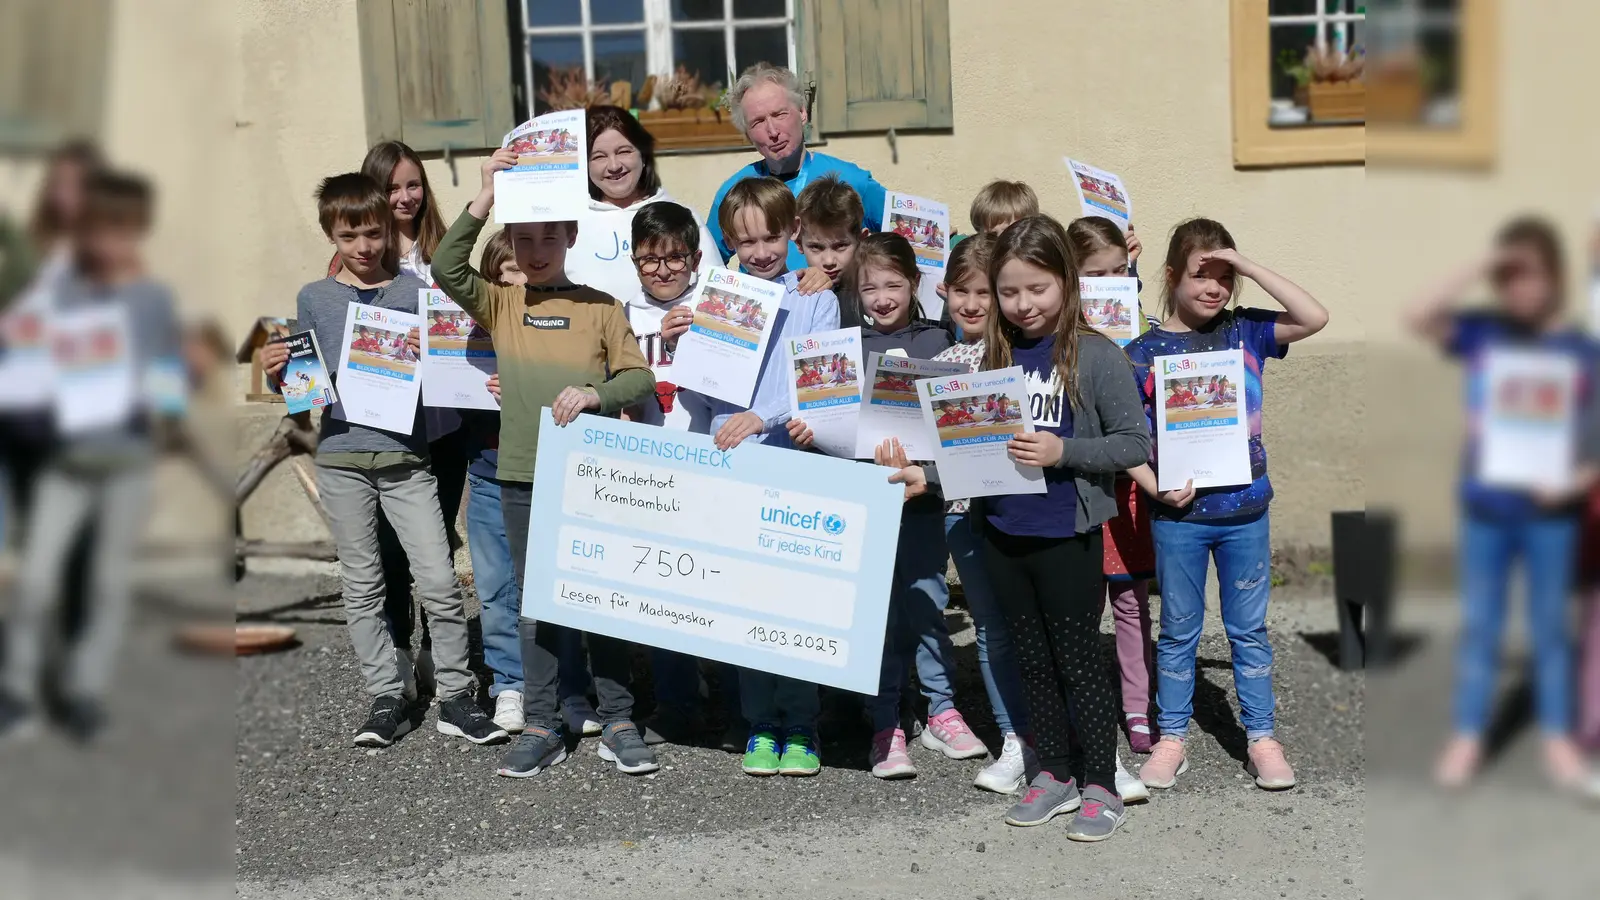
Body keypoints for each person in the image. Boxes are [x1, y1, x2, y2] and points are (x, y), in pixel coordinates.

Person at [893, 215, 1150, 840]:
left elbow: (1133, 442)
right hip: (1000, 532)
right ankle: (1055, 774)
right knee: (1030, 662)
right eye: (1009, 291)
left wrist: (1064, 453)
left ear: (1065, 279)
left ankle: (1100, 783)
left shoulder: (1095, 354)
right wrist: (929, 477)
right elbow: (968, 448)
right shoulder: (990, 356)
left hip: (1066, 534)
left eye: (1036, 288)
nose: (1022, 304)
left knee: (1078, 663)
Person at [260, 173, 504, 748]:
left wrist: (435, 359)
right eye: (349, 237)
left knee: (441, 582)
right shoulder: (313, 298)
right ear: (332, 236)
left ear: (390, 230)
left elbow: (449, 372)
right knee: (362, 586)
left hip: (407, 459)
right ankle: (386, 695)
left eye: (373, 233)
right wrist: (281, 374)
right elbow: (306, 391)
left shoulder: (418, 295)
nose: (364, 248)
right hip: (341, 459)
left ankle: (456, 696)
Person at [436, 148, 659, 779]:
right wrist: (484, 192)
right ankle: (541, 723)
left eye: (547, 237)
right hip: (521, 478)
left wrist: (596, 394)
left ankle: (618, 720)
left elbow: (639, 378)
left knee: (601, 598)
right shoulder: (503, 305)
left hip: (593, 476)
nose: (535, 251)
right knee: (538, 604)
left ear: (571, 236)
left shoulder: (600, 305)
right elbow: (446, 265)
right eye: (523, 238)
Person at [1127, 218, 1329, 793]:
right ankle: (1171, 738)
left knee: (1248, 630)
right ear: (1171, 276)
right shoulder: (1141, 353)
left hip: (1246, 514)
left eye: (1224, 277)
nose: (1214, 287)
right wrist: (1153, 486)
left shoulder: (1248, 333)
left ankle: (1262, 737)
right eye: (1201, 274)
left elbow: (1314, 317)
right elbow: (1127, 441)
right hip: (1180, 518)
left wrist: (1246, 265)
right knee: (1178, 632)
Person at [1405, 217, 1598, 790]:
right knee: (1482, 627)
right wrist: (1484, 264)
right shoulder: (1483, 333)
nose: (1520, 289)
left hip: (1551, 516)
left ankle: (1559, 739)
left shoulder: (1579, 349)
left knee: (1549, 631)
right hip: (1487, 509)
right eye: (1508, 278)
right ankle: (1469, 734)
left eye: (1530, 276)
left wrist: (1573, 483)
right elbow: (1419, 315)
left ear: (1555, 280)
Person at [662, 176, 839, 777]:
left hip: (791, 463)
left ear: (793, 232)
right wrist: (676, 343)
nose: (761, 251)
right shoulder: (715, 295)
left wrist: (764, 416)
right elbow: (698, 393)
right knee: (744, 605)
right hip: (732, 465)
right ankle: (759, 721)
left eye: (771, 237)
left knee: (791, 603)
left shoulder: (815, 296)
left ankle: (802, 722)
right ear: (729, 243)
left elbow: (819, 385)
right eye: (745, 241)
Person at [790, 233, 984, 780]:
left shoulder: (941, 342)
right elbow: (826, 419)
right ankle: (886, 723)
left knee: (926, 604)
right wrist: (813, 431)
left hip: (924, 503)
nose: (880, 297)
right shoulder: (842, 345)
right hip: (864, 502)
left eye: (893, 285)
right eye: (868, 286)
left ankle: (942, 709)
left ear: (915, 285)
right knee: (873, 615)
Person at [0, 171, 178, 742]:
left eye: (123, 231)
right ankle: (19, 693)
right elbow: (25, 363)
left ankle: (83, 693)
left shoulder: (153, 299)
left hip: (126, 464)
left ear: (139, 233)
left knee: (105, 586)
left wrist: (168, 407)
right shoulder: (57, 294)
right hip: (65, 461)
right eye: (101, 230)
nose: (111, 243)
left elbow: (166, 373)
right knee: (37, 579)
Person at [325, 141, 467, 703]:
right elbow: (328, 350)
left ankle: (440, 652)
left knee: (436, 543)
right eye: (392, 188)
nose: (405, 197)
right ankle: (398, 651)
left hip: (445, 413)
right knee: (385, 550)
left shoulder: (443, 247)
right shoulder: (350, 262)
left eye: (414, 184)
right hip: (381, 425)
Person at [615, 199, 746, 748]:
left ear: (696, 258)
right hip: (652, 471)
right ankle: (677, 706)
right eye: (650, 260)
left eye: (674, 258)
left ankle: (742, 708)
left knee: (726, 589)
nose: (663, 270)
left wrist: (691, 342)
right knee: (662, 592)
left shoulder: (721, 304)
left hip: (713, 463)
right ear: (634, 261)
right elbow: (616, 384)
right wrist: (656, 352)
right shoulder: (620, 313)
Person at [924, 233, 1036, 792]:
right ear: (943, 293)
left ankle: (1054, 735)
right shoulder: (939, 364)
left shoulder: (1019, 354)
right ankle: (1013, 737)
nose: (970, 304)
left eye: (983, 292)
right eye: (960, 292)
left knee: (1034, 625)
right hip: (961, 512)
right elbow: (925, 446)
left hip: (1021, 509)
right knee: (991, 626)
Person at [1066, 216, 1158, 754]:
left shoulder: (1138, 333)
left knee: (1131, 603)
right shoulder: (1066, 342)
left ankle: (1137, 707)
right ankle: (1085, 706)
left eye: (1119, 273)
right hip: (1082, 486)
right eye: (1095, 276)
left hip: (1130, 489)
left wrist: (1134, 274)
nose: (1110, 284)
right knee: (1080, 609)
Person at [706, 63, 887, 268]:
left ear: (802, 112)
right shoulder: (734, 192)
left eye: (779, 114)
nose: (773, 131)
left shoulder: (851, 180)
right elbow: (705, 266)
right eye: (758, 122)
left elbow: (912, 239)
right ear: (748, 135)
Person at [567, 105, 722, 303]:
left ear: (643, 155)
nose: (614, 166)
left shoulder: (681, 217)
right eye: (599, 156)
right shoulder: (567, 224)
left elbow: (716, 295)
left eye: (624, 151)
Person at [796, 173, 870, 327]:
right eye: (816, 247)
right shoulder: (796, 296)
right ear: (798, 243)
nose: (829, 261)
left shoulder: (880, 292)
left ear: (861, 240)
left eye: (840, 246)